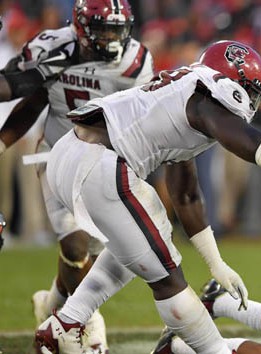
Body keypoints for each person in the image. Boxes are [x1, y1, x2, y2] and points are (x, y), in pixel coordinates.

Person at [33, 39, 261, 354]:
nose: (252, 102)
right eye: (250, 91)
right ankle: (214, 351)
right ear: (232, 84)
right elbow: (257, 148)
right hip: (98, 163)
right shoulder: (207, 96)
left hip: (72, 153)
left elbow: (185, 195)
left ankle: (65, 324)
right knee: (168, 277)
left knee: (144, 240)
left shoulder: (185, 95)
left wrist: (215, 263)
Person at [0, 0, 154, 351]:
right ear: (82, 28)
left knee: (89, 254)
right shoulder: (52, 45)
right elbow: (30, 98)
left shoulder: (136, 61)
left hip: (104, 163)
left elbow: (140, 117)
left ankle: (53, 301)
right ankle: (88, 321)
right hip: (55, 154)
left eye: (117, 29)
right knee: (75, 243)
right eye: (102, 29)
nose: (112, 38)